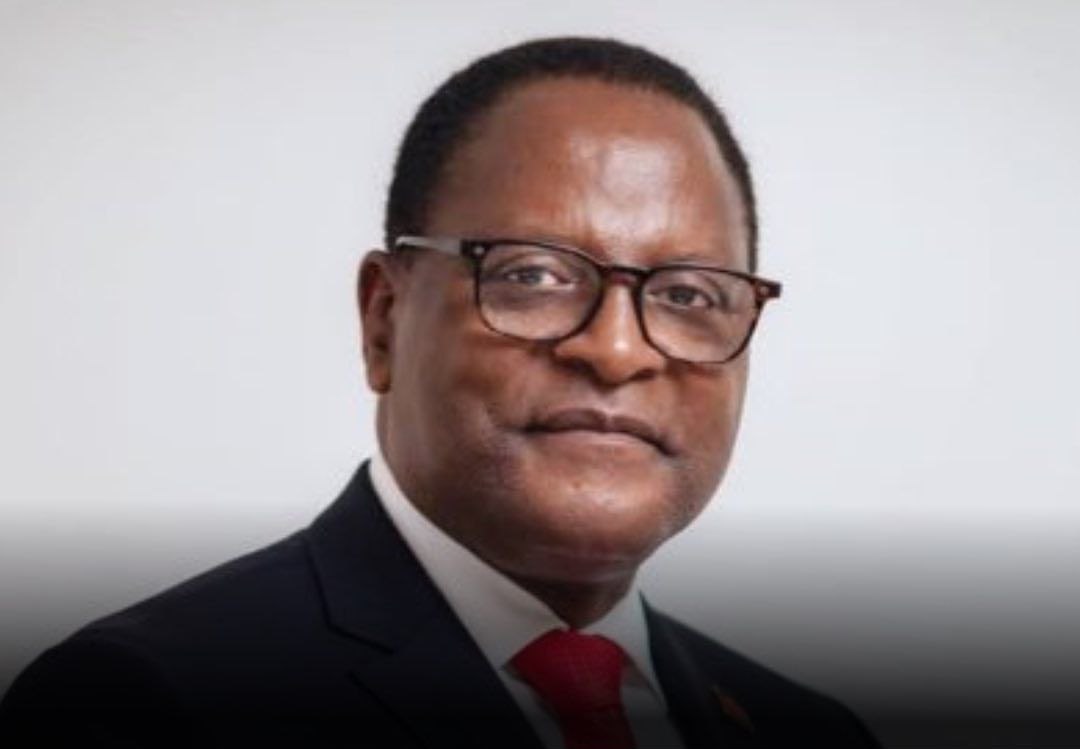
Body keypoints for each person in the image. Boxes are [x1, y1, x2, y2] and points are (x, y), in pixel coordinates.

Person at [0, 37, 878, 748]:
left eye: (688, 294)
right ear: (383, 321)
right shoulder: (144, 706)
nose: (616, 351)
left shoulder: (809, 730)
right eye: (532, 275)